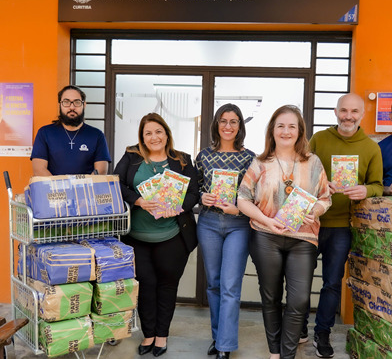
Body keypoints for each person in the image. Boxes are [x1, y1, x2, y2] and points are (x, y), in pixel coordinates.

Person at [237, 105, 331, 359]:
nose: (286, 131)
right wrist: (266, 221)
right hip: (266, 236)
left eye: (292, 126)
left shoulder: (313, 162)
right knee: (271, 296)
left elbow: (325, 197)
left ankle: (287, 354)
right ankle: (275, 352)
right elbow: (242, 199)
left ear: (300, 131)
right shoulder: (260, 162)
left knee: (299, 299)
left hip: (303, 238)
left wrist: (317, 211)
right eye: (281, 125)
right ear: (272, 130)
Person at [113, 113, 199, 357]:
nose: (154, 137)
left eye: (158, 132)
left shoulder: (182, 160)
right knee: (145, 287)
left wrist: (180, 206)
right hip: (137, 237)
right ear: (142, 136)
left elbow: (193, 192)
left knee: (167, 287)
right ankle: (148, 335)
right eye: (148, 133)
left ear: (166, 134)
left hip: (172, 236)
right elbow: (116, 183)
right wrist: (138, 200)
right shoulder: (132, 156)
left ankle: (162, 337)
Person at [305, 93, 383, 358]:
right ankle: (298, 328)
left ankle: (322, 333)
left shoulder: (372, 148)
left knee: (331, 282)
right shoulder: (319, 139)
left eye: (354, 111)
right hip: (310, 221)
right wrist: (319, 184)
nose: (348, 116)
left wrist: (365, 189)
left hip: (342, 226)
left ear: (363, 114)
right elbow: (302, 173)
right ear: (335, 112)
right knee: (299, 279)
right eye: (343, 110)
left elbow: (378, 186)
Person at [195, 104, 256, 359]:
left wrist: (238, 210)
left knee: (230, 285)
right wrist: (202, 196)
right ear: (216, 124)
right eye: (223, 121)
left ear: (240, 126)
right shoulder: (203, 156)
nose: (228, 126)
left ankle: (225, 346)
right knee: (214, 284)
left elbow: (257, 197)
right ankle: (218, 336)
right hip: (208, 222)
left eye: (233, 121)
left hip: (238, 225)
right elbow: (194, 188)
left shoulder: (250, 158)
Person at [30, 85, 110, 175]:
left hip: (86, 188)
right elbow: (39, 169)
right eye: (66, 102)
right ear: (59, 105)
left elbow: (101, 171)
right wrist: (60, 188)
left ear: (84, 105)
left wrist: (81, 188)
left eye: (77, 102)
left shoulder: (97, 135)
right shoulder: (44, 133)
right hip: (53, 189)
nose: (72, 107)